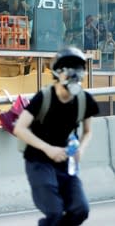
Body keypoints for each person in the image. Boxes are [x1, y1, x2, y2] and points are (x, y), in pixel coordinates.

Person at [14, 47, 99, 226]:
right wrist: (48, 148)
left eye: (79, 69)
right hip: (38, 161)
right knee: (54, 212)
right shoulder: (44, 97)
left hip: (66, 163)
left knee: (80, 209)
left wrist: (81, 150)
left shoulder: (84, 100)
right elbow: (20, 128)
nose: (74, 74)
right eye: (68, 69)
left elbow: (88, 131)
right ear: (58, 73)